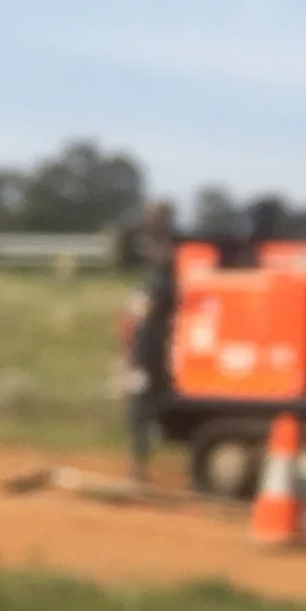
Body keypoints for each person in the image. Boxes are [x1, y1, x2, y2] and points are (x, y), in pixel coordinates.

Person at [122, 200, 179, 482]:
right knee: (144, 405)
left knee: (142, 406)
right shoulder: (163, 263)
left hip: (151, 349)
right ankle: (139, 464)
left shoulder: (166, 267)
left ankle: (139, 467)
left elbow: (145, 313)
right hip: (150, 347)